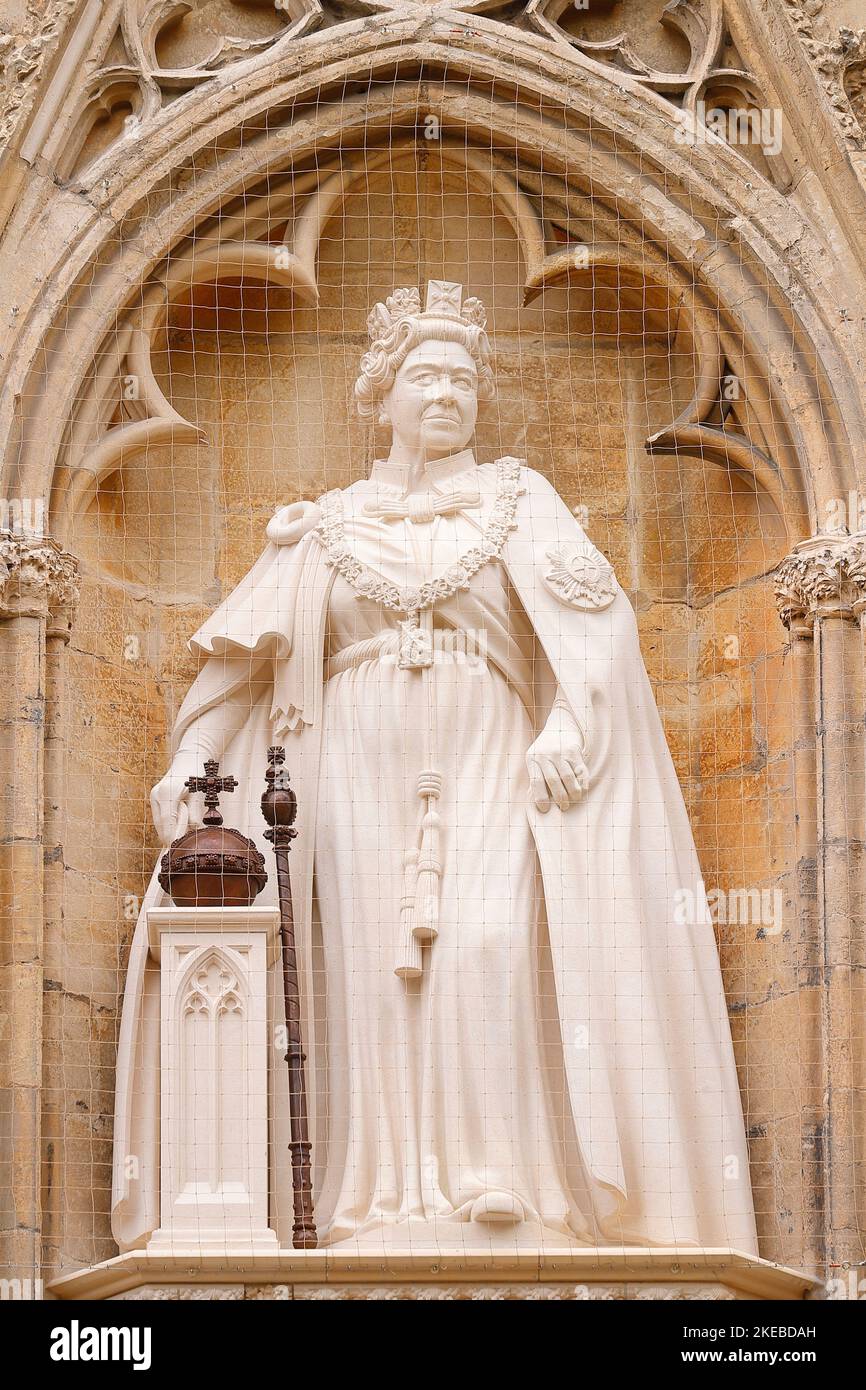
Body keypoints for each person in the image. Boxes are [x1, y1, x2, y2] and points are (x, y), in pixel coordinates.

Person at [112, 281, 759, 1254]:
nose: (447, 392)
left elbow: (597, 631)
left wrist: (571, 728)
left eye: (462, 376)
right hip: (354, 758)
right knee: (375, 973)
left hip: (489, 748)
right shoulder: (321, 526)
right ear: (383, 394)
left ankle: (498, 1169)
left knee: (488, 945)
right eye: (425, 375)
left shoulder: (516, 501)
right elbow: (239, 660)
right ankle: (379, 1194)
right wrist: (194, 762)